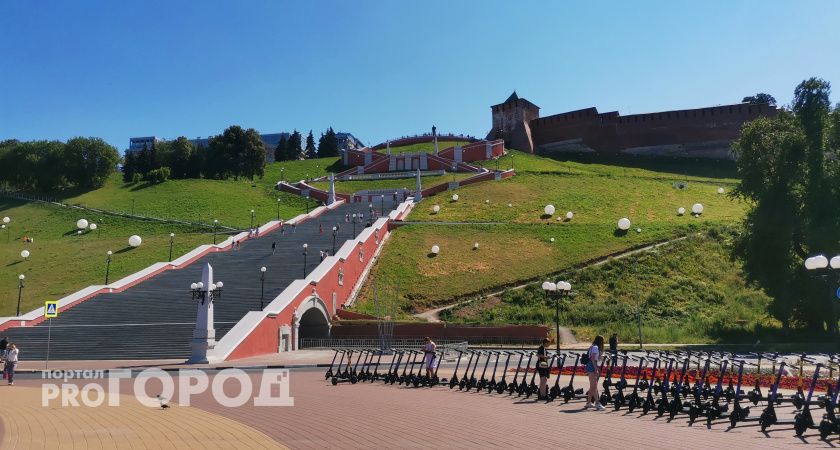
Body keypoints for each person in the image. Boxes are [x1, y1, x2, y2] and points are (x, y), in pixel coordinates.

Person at [586, 335, 605, 410]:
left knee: (592, 386)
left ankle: (588, 402)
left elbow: (598, 358)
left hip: (591, 365)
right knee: (594, 385)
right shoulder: (595, 347)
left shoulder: (593, 347)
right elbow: (593, 358)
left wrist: (602, 354)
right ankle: (597, 403)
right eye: (603, 341)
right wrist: (596, 369)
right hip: (592, 365)